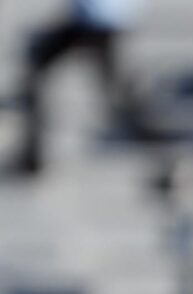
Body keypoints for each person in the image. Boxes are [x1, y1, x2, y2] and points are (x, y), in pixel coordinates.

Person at [16, 0, 148, 177]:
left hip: (96, 19)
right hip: (106, 19)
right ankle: (141, 131)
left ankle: (33, 155)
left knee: (37, 68)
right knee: (114, 87)